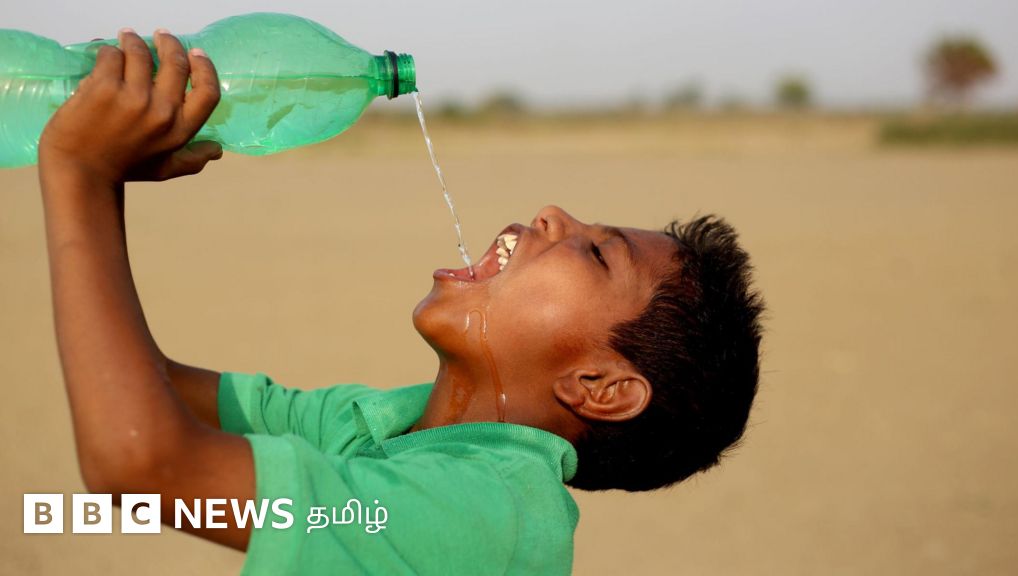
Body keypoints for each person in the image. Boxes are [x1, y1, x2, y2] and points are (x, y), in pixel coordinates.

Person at [37, 28, 765, 575]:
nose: (551, 213)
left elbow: (139, 465)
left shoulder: (492, 513)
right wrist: (109, 179)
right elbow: (139, 386)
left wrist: (81, 175)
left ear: (599, 388)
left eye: (599, 252)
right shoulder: (385, 425)